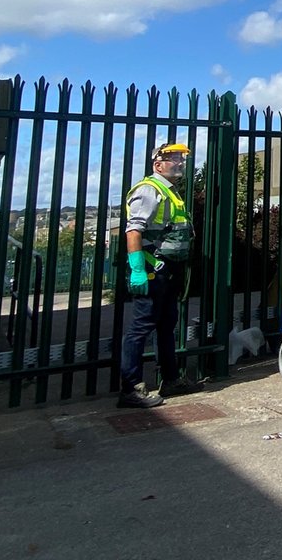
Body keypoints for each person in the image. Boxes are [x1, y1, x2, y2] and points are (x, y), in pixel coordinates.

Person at [118, 141, 197, 408]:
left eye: (181, 159)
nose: (179, 163)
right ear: (157, 164)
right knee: (140, 327)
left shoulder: (170, 192)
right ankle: (130, 388)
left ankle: (171, 379)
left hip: (168, 270)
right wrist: (138, 268)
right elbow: (133, 231)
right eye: (173, 158)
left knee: (166, 326)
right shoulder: (150, 190)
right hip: (153, 269)